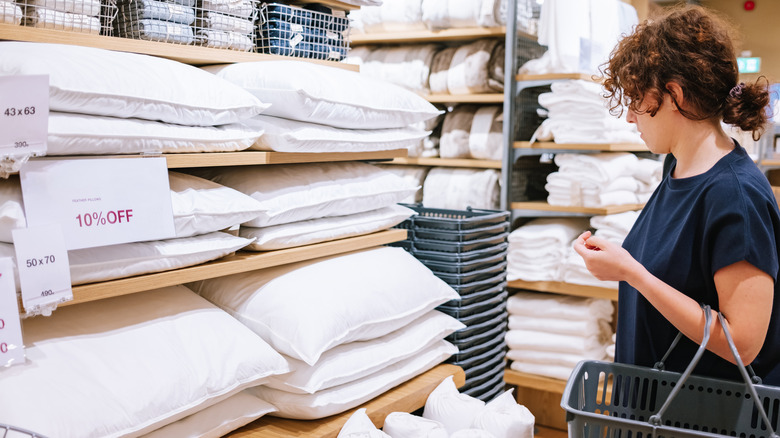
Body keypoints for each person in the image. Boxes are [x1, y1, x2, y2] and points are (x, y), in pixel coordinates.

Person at [573, 4, 780, 385]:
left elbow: (743, 343)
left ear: (674, 95)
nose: (630, 117)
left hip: (702, 416)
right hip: (654, 407)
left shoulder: (735, 195)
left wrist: (632, 273)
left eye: (637, 99)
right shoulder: (677, 168)